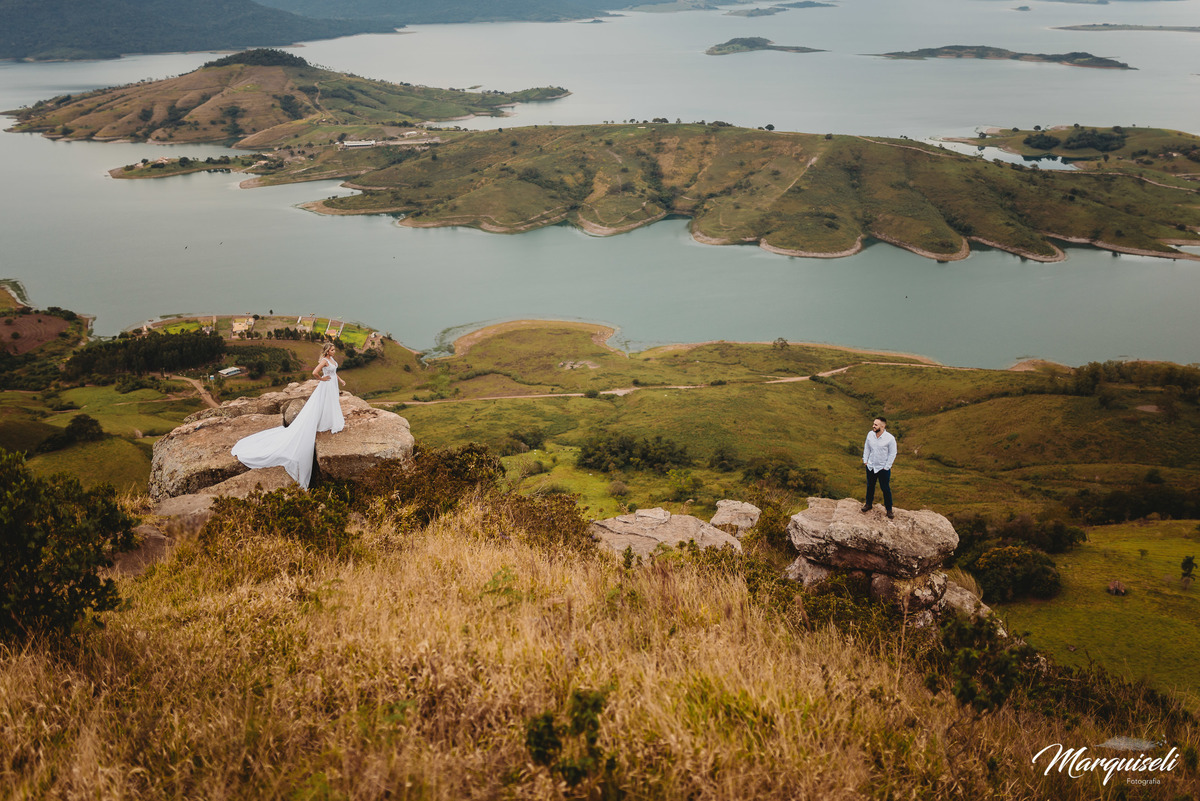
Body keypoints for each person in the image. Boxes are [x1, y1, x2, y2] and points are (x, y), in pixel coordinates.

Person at [231, 342, 346, 489]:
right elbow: (314, 372)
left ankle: (329, 420)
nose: (334, 351)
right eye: (332, 349)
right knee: (322, 404)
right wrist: (322, 379)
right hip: (326, 386)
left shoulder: (332, 360)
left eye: (334, 349)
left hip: (332, 385)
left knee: (331, 403)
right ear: (327, 351)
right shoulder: (324, 360)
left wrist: (340, 380)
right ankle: (322, 422)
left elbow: (334, 372)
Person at [861, 416, 896, 519]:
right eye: (873, 424)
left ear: (882, 426)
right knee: (870, 486)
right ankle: (868, 504)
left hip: (883, 468)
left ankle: (889, 510)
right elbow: (867, 447)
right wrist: (865, 461)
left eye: (876, 425)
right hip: (871, 466)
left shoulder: (890, 438)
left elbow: (892, 453)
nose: (873, 426)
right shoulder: (870, 434)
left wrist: (887, 467)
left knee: (885, 488)